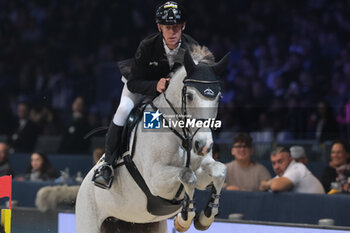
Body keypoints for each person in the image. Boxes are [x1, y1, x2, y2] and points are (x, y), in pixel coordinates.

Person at [93, 1, 199, 189]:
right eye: (168, 27)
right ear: (159, 27)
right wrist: (154, 86)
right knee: (124, 109)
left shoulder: (192, 48)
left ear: (184, 26)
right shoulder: (148, 45)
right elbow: (134, 82)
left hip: (169, 95)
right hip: (141, 87)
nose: (172, 32)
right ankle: (107, 164)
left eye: (176, 27)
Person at [260, 147, 325, 194]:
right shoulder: (282, 175)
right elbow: (262, 186)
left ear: (290, 159)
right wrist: (269, 183)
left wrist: (269, 183)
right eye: (274, 163)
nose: (276, 167)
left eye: (280, 161)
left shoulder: (298, 167)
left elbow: (275, 186)